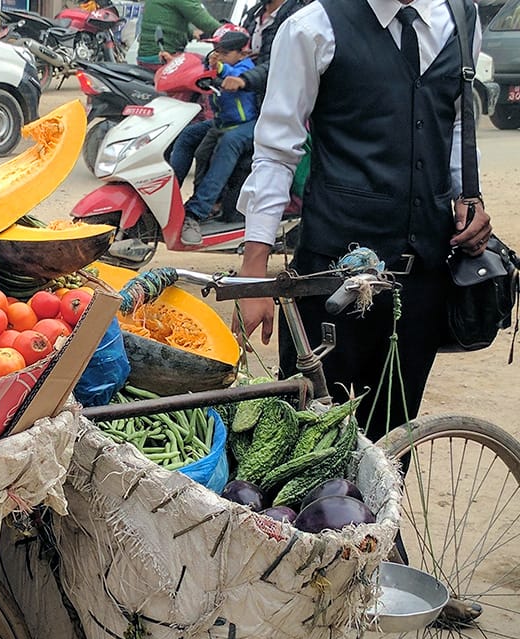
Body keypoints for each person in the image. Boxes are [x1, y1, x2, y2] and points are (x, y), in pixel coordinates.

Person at [234, 0, 492, 443]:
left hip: (421, 281)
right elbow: (276, 150)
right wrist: (253, 273)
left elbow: (452, 123)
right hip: (328, 280)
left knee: (393, 445)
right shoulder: (313, 26)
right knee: (304, 443)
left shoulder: (462, 18)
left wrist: (469, 195)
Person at [168, 28, 259, 242]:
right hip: (222, 123)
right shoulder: (214, 64)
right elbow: (196, 70)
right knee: (190, 138)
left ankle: (197, 211)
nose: (217, 54)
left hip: (248, 124)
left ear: (241, 53)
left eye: (224, 52)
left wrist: (219, 67)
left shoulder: (246, 67)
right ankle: (169, 200)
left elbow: (235, 75)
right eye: (215, 50)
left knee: (226, 146)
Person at [136, 0, 221, 71]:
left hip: (146, 55)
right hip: (163, 56)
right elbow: (204, 21)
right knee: (205, 66)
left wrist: (192, 33)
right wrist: (228, 31)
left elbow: (167, 20)